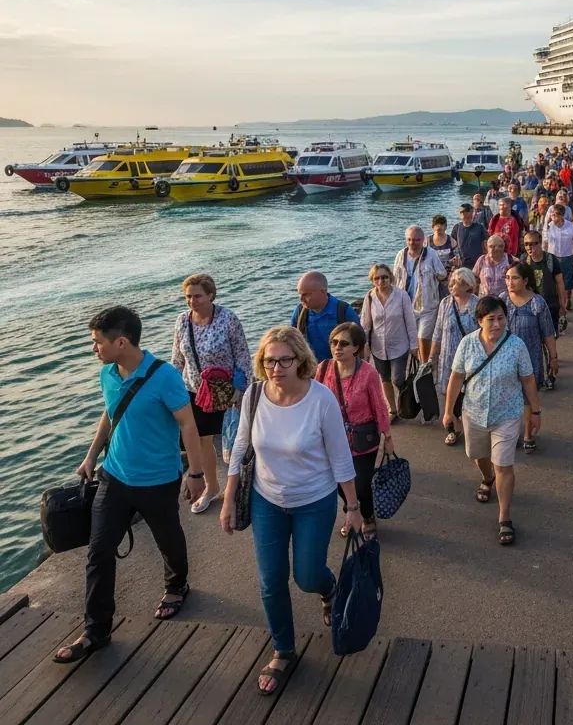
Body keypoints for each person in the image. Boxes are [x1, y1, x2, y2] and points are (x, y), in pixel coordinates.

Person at [54, 307, 206, 664]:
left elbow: (187, 425)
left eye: (97, 342)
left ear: (120, 342)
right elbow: (110, 413)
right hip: (115, 476)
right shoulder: (107, 374)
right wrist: (91, 457)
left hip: (159, 479)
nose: (93, 349)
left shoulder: (165, 376)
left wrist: (195, 474)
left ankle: (176, 585)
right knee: (99, 551)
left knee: (168, 538)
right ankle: (96, 630)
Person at [221, 327, 360, 695]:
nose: (276, 368)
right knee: (270, 581)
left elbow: (340, 456)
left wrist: (353, 506)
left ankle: (328, 589)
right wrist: (229, 497)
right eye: (269, 361)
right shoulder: (254, 395)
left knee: (307, 575)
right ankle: (283, 649)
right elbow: (239, 447)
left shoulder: (321, 399)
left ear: (301, 360)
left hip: (314, 499)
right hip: (267, 499)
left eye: (284, 360)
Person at [442, 296, 542, 546]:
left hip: (507, 415)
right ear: (479, 321)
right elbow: (456, 378)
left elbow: (528, 380)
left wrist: (536, 412)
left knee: (504, 465)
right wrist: (448, 412)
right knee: (478, 455)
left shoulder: (516, 345)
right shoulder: (467, 344)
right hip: (473, 412)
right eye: (491, 320)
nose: (497, 324)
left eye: (501, 318)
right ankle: (487, 479)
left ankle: (504, 517)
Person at [170, 273, 254, 514]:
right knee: (200, 440)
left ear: (210, 295)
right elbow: (177, 359)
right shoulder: (182, 321)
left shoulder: (228, 319)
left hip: (227, 391)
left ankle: (238, 486)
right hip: (195, 391)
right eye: (188, 296)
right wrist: (171, 390)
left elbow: (242, 356)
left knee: (237, 441)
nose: (192, 301)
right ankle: (211, 487)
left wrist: (241, 391)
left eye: (197, 296)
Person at [315, 322, 393, 541]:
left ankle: (367, 517)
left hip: (363, 439)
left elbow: (379, 405)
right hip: (333, 438)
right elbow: (313, 400)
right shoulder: (323, 369)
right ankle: (352, 513)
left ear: (356, 348)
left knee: (361, 483)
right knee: (339, 481)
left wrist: (387, 436)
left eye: (343, 343)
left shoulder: (368, 373)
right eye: (334, 342)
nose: (337, 347)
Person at [503, 262, 557, 453]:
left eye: (515, 278)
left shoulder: (537, 303)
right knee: (509, 396)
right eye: (507, 278)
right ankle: (511, 433)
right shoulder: (502, 301)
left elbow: (548, 333)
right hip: (506, 359)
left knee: (528, 397)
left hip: (531, 357)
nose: (510, 282)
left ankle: (527, 433)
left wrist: (553, 358)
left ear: (525, 281)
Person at [429, 267, 480, 446]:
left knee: (468, 393)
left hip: (470, 360)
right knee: (448, 393)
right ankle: (452, 428)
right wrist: (432, 356)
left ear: (467, 285)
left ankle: (469, 425)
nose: (451, 286)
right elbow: (438, 331)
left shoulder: (477, 304)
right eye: (451, 282)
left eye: (456, 283)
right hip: (448, 358)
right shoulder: (445, 303)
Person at [360, 263, 418, 419]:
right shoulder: (369, 297)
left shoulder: (401, 295)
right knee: (384, 379)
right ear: (372, 280)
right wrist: (363, 345)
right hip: (378, 347)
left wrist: (414, 345)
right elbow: (365, 323)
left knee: (398, 378)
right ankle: (392, 409)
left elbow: (410, 321)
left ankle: (404, 401)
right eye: (377, 278)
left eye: (384, 277)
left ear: (390, 278)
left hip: (399, 345)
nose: (381, 281)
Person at [392, 225, 447, 363]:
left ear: (423, 240)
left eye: (416, 240)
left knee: (423, 338)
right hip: (406, 306)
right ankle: (419, 364)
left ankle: (425, 367)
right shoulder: (401, 255)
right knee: (412, 340)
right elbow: (394, 279)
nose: (412, 243)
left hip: (427, 306)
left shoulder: (431, 254)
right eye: (409, 239)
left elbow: (442, 274)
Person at [289, 272, 359, 363]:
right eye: (299, 294)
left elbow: (359, 342)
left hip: (340, 367)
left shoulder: (343, 311)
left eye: (306, 294)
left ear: (323, 291)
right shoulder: (300, 312)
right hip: (311, 367)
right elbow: (292, 339)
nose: (301, 299)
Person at [522, 230, 567, 360]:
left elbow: (559, 283)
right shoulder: (524, 262)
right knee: (535, 336)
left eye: (533, 243)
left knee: (551, 336)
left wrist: (562, 305)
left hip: (550, 306)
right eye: (526, 244)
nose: (530, 247)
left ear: (540, 243)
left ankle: (552, 357)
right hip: (531, 307)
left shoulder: (551, 260)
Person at [544, 203, 573, 311]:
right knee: (554, 281)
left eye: (555, 215)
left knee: (567, 282)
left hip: (567, 258)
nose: (553, 217)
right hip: (552, 258)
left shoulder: (571, 227)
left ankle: (567, 300)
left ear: (562, 215)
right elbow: (545, 243)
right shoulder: (548, 227)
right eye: (552, 214)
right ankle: (559, 302)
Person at [428, 214, 461, 299]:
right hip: (431, 278)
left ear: (445, 227)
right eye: (436, 225)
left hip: (447, 279)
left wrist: (454, 268)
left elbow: (458, 261)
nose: (439, 227)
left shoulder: (451, 241)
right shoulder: (427, 242)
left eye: (442, 224)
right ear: (432, 227)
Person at [453, 202, 487, 269]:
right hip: (462, 264)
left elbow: (485, 245)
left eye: (469, 214)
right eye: (462, 213)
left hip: (477, 263)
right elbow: (453, 245)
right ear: (460, 214)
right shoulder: (457, 227)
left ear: (472, 213)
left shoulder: (479, 227)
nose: (465, 216)